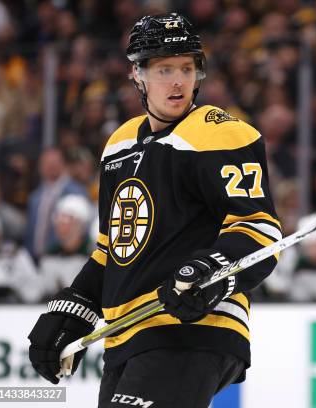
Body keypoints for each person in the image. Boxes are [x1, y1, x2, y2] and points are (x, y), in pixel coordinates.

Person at [28, 13, 281, 408]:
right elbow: (112, 248)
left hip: (193, 329)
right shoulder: (119, 144)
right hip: (126, 339)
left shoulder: (221, 132)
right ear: (138, 75)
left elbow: (259, 229)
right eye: (164, 69)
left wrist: (213, 270)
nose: (178, 80)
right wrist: (73, 305)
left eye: (186, 68)